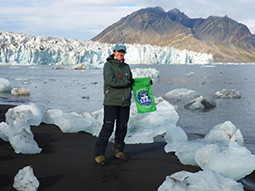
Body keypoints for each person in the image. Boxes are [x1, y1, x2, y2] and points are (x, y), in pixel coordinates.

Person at [94, 43, 134, 166]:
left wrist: (145, 84)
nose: (120, 54)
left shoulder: (126, 67)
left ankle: (119, 151)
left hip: (124, 102)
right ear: (114, 52)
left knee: (122, 127)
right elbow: (111, 81)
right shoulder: (108, 65)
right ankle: (99, 154)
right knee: (108, 127)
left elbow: (130, 83)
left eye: (123, 52)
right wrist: (127, 81)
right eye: (118, 51)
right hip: (111, 102)